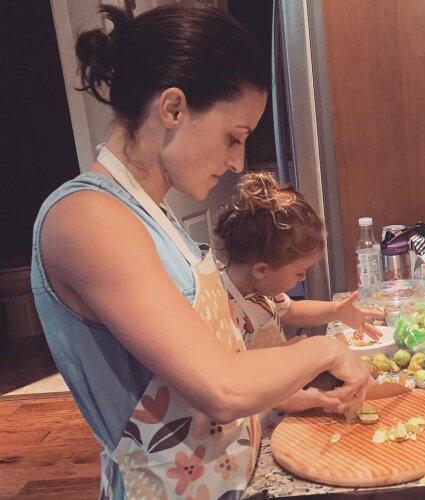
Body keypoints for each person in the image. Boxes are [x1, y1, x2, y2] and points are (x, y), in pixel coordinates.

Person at [30, 5, 371, 499]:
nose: (236, 162)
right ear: (172, 108)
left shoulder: (154, 214)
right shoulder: (88, 219)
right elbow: (221, 387)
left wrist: (290, 392)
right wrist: (328, 348)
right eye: (233, 138)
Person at [213, 172, 383, 418]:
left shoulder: (262, 291)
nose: (302, 279)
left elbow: (291, 310)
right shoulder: (223, 308)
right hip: (260, 410)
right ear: (261, 269)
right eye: (300, 273)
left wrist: (334, 311)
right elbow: (242, 385)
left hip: (282, 389)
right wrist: (293, 397)